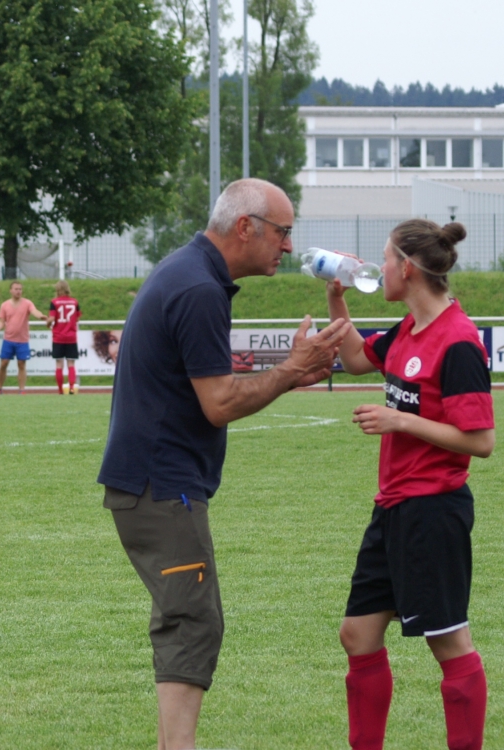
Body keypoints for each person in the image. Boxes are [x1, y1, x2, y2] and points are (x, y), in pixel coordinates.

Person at [97, 178, 349, 750]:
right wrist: (289, 370)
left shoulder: (189, 272)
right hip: (162, 487)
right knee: (193, 621)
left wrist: (292, 374)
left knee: (188, 618)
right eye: (283, 232)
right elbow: (219, 403)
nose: (288, 247)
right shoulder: (198, 289)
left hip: (152, 484)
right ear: (246, 227)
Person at [327, 220, 493, 750]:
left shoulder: (458, 341)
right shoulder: (407, 330)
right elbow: (354, 359)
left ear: (407, 268)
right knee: (357, 635)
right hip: (394, 509)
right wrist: (337, 301)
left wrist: (400, 421)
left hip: (433, 511)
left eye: (384, 258)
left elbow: (481, 440)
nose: (378, 267)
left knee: (449, 643)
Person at [0, 281, 48, 394]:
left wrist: (40, 316)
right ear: (10, 290)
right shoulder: (5, 305)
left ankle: (21, 390)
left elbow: (34, 311)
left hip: (22, 341)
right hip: (8, 340)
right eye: (16, 289)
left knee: (21, 364)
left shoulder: (27, 303)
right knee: (4, 363)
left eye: (20, 289)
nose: (18, 291)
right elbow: (1, 322)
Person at [48, 280, 81, 394]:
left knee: (59, 363)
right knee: (71, 363)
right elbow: (77, 318)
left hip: (58, 337)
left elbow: (52, 319)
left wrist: (47, 323)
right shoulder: (74, 302)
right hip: (71, 337)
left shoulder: (54, 302)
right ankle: (71, 388)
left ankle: (60, 390)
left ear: (57, 289)